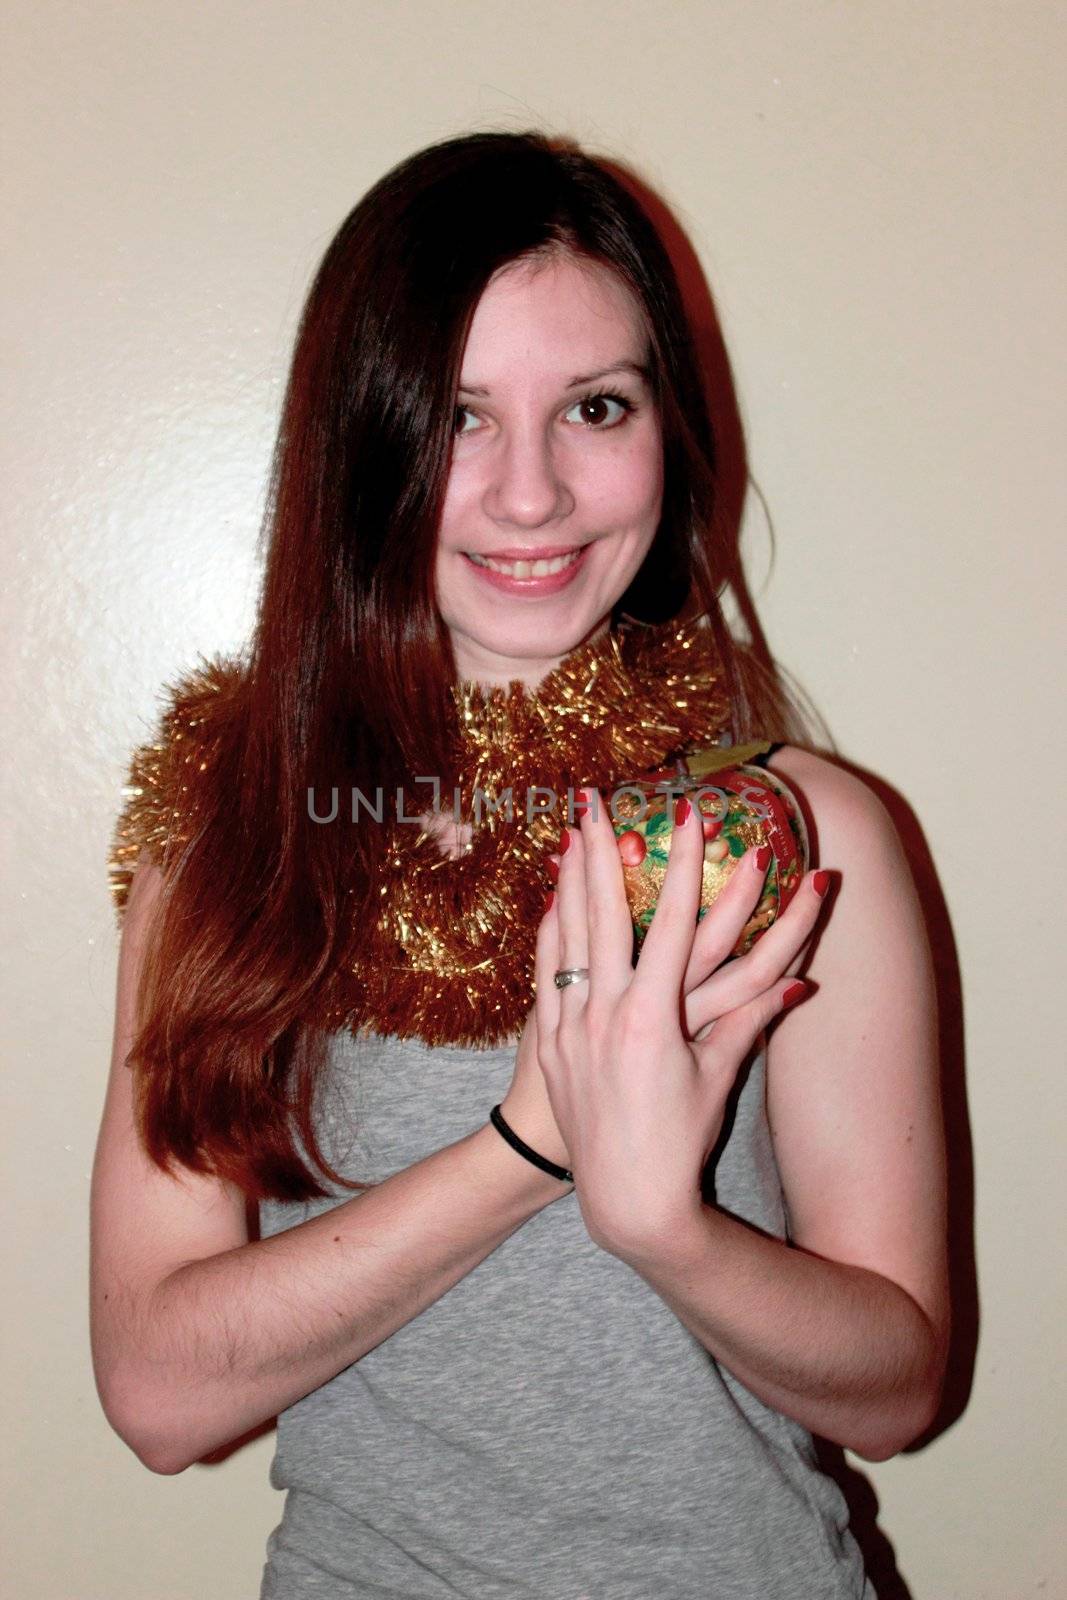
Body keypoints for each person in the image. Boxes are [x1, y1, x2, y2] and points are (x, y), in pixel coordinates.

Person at [90, 129, 949, 1599]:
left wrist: (664, 1229)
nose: (533, 496)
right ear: (364, 448)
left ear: (667, 434)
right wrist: (530, 1148)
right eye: (462, 417)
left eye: (595, 406)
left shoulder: (802, 836)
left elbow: (898, 1384)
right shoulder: (235, 838)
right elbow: (162, 1394)